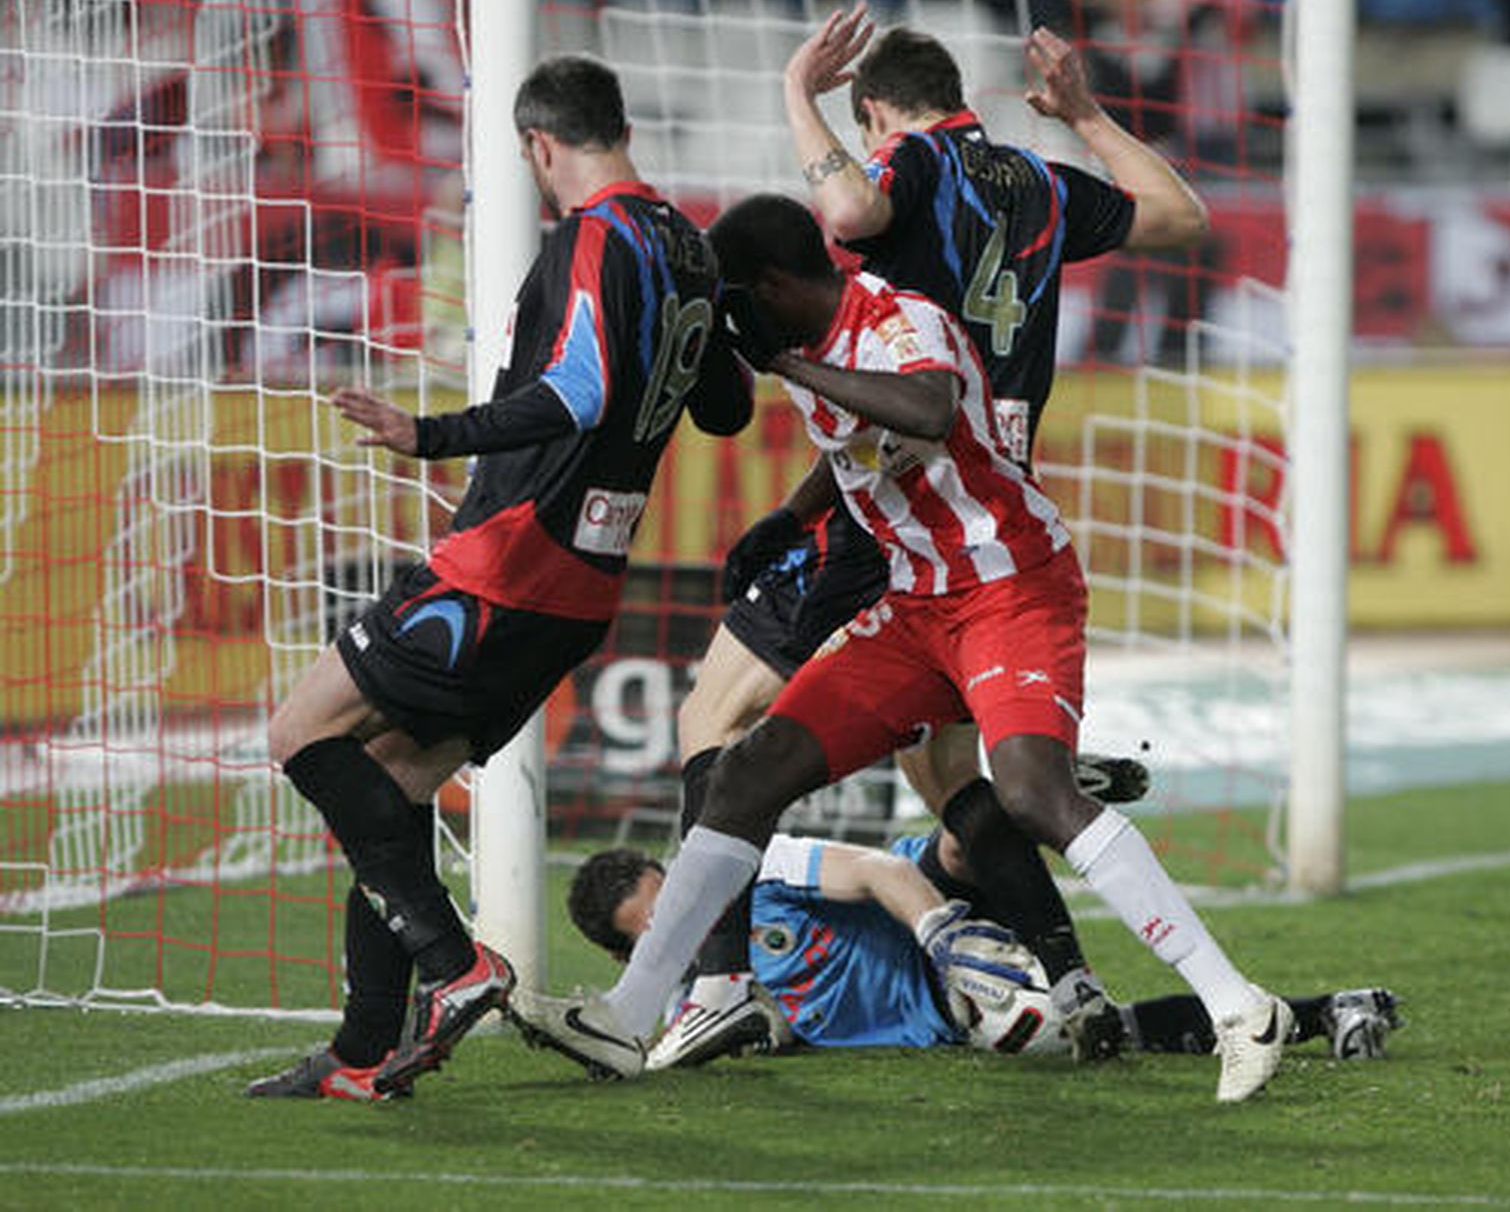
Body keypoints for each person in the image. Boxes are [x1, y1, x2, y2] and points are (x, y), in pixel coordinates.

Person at [517, 193, 1291, 1104]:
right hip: (916, 605)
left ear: (772, 286)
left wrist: (785, 363)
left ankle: (1241, 1007)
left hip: (1010, 585)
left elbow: (926, 408)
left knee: (1032, 790)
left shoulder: (897, 318)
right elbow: (860, 447)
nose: (736, 321)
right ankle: (627, 1014)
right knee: (743, 773)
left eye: (741, 301)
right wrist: (791, 516)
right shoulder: (817, 349)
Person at [659, 8, 1206, 1069]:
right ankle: (1071, 977)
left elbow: (852, 207)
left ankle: (714, 986)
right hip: (989, 492)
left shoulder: (904, 159)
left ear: (875, 110)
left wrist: (793, 94)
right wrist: (1087, 114)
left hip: (903, 478)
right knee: (951, 767)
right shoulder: (1034, 179)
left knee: (712, 717)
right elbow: (1176, 217)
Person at [245, 54, 753, 1102]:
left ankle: (457, 964)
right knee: (388, 791)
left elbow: (575, 389)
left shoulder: (595, 237)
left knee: (297, 732)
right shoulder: (687, 246)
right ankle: (359, 1054)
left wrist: (429, 434)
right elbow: (726, 410)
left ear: (537, 146)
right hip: (584, 587)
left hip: (505, 559)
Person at [567, 826, 1405, 1060]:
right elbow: (770, 1031)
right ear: (625, 958)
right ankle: (1333, 1011)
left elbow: (872, 872)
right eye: (656, 933)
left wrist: (946, 935)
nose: (685, 926)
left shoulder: (757, 864)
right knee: (1102, 1036)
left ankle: (1043, 795)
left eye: (677, 901)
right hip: (945, 1013)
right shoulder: (692, 1010)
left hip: (936, 925)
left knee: (965, 838)